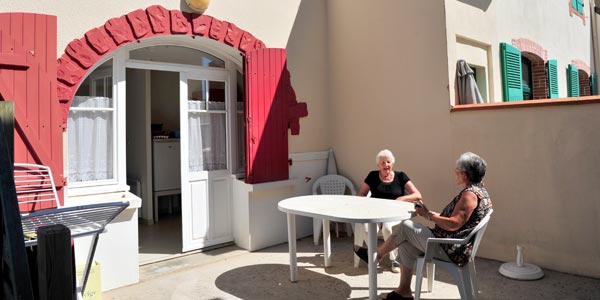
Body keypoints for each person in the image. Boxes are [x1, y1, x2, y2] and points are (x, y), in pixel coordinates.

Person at [354, 152, 492, 300]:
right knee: (406, 243)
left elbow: (453, 224)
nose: (455, 173)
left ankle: (376, 254)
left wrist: (429, 215)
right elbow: (456, 221)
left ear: (465, 175)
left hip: (450, 248)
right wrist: (429, 213)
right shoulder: (480, 191)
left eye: (457, 170)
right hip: (451, 243)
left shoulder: (469, 195)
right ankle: (404, 291)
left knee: (406, 226)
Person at [354, 149, 422, 273]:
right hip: (374, 213)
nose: (386, 165)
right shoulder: (372, 176)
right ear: (378, 165)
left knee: (387, 228)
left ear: (393, 163)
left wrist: (401, 198)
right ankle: (373, 256)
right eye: (383, 163)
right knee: (365, 228)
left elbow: (417, 195)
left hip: (394, 214)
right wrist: (366, 206)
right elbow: (361, 194)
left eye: (388, 162)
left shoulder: (401, 176)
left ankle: (394, 259)